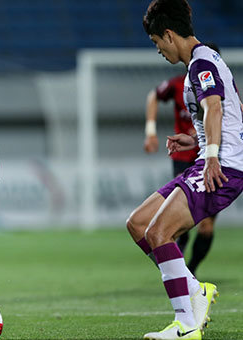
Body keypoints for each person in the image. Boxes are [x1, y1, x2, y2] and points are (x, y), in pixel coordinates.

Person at [127, 0, 243, 339]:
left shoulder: (201, 63)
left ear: (168, 34)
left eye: (156, 43)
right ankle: (195, 290)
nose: (159, 50)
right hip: (213, 159)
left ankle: (187, 324)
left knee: (158, 233)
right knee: (138, 224)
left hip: (223, 168)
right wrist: (195, 141)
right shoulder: (204, 60)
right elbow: (232, 113)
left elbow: (215, 108)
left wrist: (210, 156)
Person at [143, 42, 221, 277]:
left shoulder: (220, 90)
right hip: (184, 157)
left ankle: (192, 270)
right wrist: (150, 131)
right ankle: (182, 268)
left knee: (206, 225)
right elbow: (153, 96)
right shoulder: (179, 85)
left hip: (211, 158)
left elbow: (220, 117)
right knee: (180, 210)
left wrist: (199, 138)